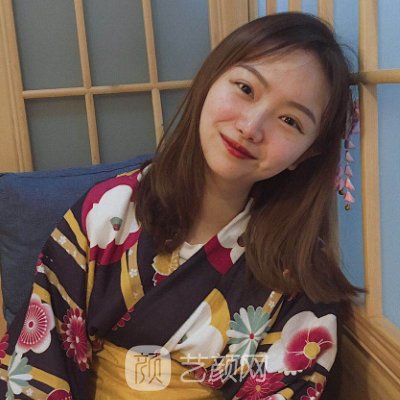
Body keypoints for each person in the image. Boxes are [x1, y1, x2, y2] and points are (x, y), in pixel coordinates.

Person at [0, 12, 360, 400]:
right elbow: (40, 355)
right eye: (245, 88)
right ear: (211, 79)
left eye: (290, 120)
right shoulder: (107, 210)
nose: (251, 127)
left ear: (306, 154)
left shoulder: (298, 276)